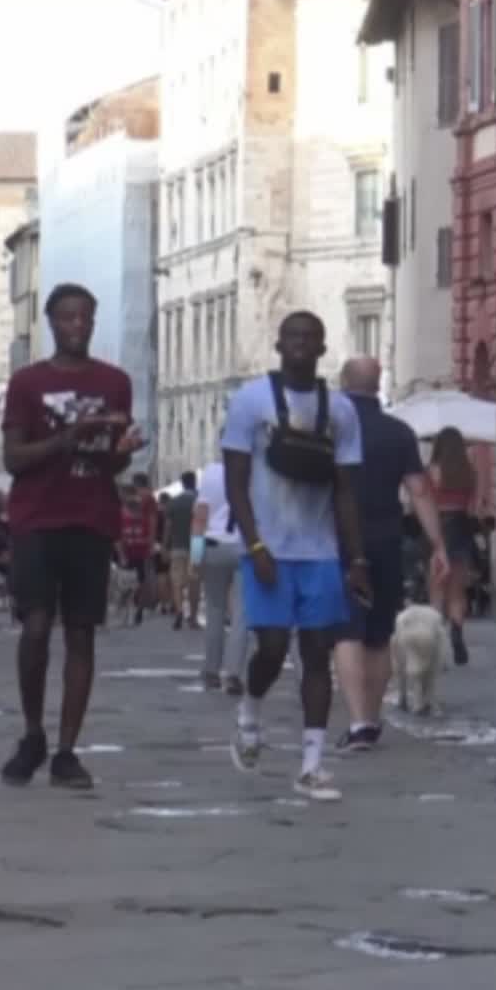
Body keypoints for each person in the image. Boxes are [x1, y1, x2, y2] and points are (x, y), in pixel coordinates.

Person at [0, 284, 144, 790]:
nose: (77, 326)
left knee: (81, 631)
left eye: (85, 318)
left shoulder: (116, 383)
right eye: (67, 318)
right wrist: (67, 439)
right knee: (36, 626)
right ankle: (33, 730)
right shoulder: (26, 383)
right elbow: (13, 459)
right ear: (51, 322)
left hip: (91, 516)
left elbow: (115, 461)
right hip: (37, 517)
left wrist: (123, 449)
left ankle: (66, 750)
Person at [221, 310, 368, 803]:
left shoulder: (341, 411)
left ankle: (311, 765)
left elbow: (347, 490)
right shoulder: (250, 401)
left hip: (320, 552)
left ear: (324, 348)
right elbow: (236, 482)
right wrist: (254, 543)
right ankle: (250, 708)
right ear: (279, 345)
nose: (302, 344)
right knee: (271, 647)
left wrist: (357, 558)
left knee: (317, 655)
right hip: (267, 550)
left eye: (311, 337)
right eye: (293, 337)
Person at [329, 358, 449, 753]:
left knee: (347, 631)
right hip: (387, 540)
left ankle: (359, 720)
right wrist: (438, 545)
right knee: (379, 636)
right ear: (377, 385)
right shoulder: (399, 433)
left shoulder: (329, 429)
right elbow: (419, 492)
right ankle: (373, 717)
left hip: (338, 541)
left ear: (344, 383)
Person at [192, 460, 249, 693]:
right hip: (246, 547)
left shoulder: (212, 473)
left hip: (214, 546)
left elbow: (200, 517)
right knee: (242, 614)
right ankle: (234, 673)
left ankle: (211, 671)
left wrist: (195, 556)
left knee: (214, 610)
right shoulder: (254, 469)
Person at [428, 425, 479, 664]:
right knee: (457, 591)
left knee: (437, 590)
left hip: (439, 529)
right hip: (461, 527)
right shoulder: (469, 472)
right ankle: (457, 634)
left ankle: (435, 645)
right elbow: (474, 507)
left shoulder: (433, 471)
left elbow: (423, 503)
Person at [161, 472, 199, 628]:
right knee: (194, 581)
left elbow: (168, 527)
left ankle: (178, 611)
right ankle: (193, 618)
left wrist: (164, 546)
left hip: (177, 545)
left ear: (182, 484)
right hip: (197, 545)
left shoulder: (174, 502)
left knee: (176, 581)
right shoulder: (201, 500)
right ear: (195, 482)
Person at [117, 478, 157, 626]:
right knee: (137, 582)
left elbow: (118, 536)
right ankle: (134, 609)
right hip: (137, 551)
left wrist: (121, 554)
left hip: (134, 552)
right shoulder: (140, 514)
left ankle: (132, 610)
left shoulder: (123, 514)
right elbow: (118, 536)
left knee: (131, 583)